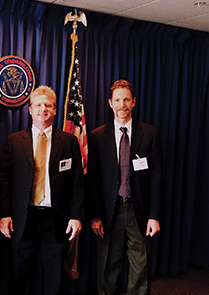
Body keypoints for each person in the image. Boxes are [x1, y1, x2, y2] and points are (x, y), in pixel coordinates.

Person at [0, 85, 84, 295]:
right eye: (38, 105)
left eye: (48, 105)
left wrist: (75, 216)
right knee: (22, 271)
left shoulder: (69, 141)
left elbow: (77, 183)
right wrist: (5, 214)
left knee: (54, 273)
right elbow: (5, 180)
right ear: (29, 109)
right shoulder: (14, 141)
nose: (42, 109)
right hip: (22, 218)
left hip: (55, 218)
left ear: (55, 110)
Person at [88, 79, 163, 295]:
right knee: (108, 268)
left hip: (139, 212)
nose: (123, 104)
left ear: (134, 102)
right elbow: (92, 180)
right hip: (109, 213)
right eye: (118, 100)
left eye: (127, 99)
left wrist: (154, 216)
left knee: (141, 267)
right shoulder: (96, 136)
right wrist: (94, 216)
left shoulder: (150, 134)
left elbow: (157, 178)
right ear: (110, 103)